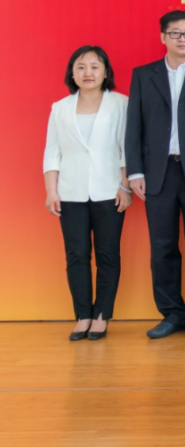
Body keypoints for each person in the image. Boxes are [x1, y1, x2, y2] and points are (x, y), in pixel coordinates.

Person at [125, 10, 185, 339]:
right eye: (176, 33)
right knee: (162, 245)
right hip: (158, 172)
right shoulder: (143, 74)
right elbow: (133, 126)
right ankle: (171, 313)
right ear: (163, 37)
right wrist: (135, 171)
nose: (183, 39)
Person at [43, 46, 130, 341]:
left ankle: (102, 315)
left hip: (110, 191)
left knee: (107, 255)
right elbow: (52, 152)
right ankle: (82, 316)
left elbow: (126, 149)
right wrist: (51, 191)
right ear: (72, 73)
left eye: (94, 66)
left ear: (105, 72)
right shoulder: (60, 107)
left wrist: (125, 186)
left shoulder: (121, 104)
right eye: (81, 67)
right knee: (76, 255)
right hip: (70, 192)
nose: (88, 72)